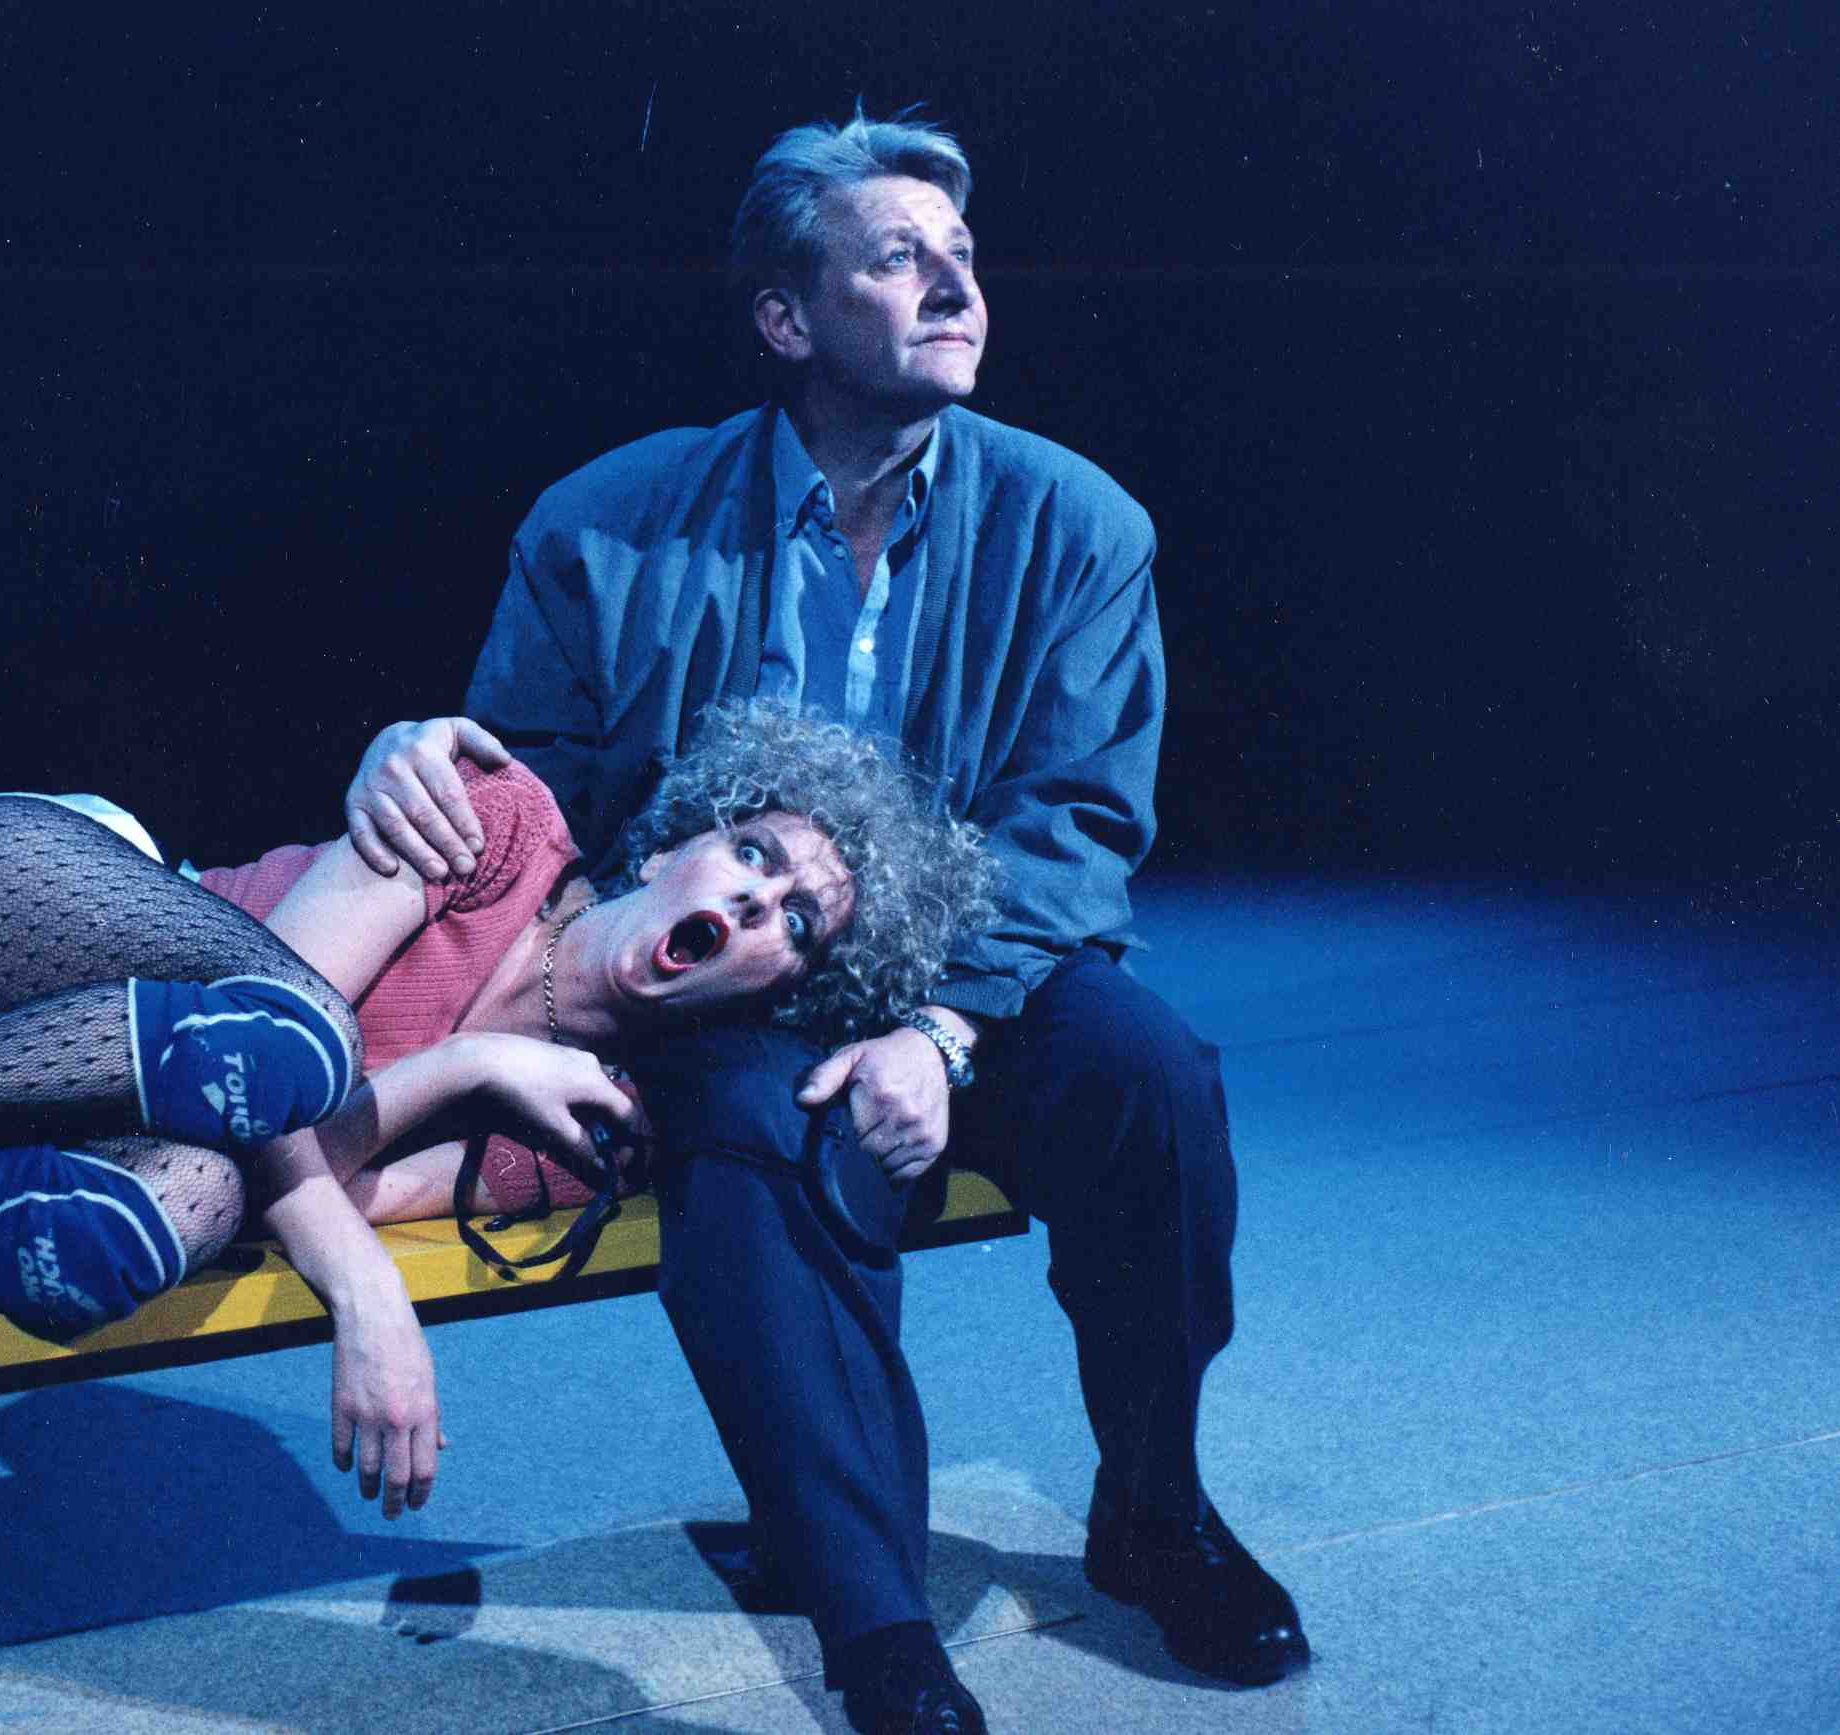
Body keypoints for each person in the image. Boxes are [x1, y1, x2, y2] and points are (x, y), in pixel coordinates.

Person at [342, 107, 1310, 1730]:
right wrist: (416, 748)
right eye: (900, 259)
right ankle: (877, 1629)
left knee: (1153, 1079)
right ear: (788, 320)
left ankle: (1155, 1507)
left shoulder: (1080, 526)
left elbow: (1073, 827)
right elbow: (534, 801)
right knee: (764, 1128)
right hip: (728, 985)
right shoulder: (606, 520)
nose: (957, 289)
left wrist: (937, 1028)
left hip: (980, 966)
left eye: (964, 257)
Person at [0, 700, 994, 1519]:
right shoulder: (497, 817)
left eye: (800, 923)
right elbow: (263, 1032)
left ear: (778, 988)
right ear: (680, 843)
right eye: (757, 858)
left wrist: (467, 1080)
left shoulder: (590, 1121)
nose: (759, 904)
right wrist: (370, 1291)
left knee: (152, 1217)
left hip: (2, 1133)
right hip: (18, 926)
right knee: (277, 1047)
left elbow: (325, 1187)